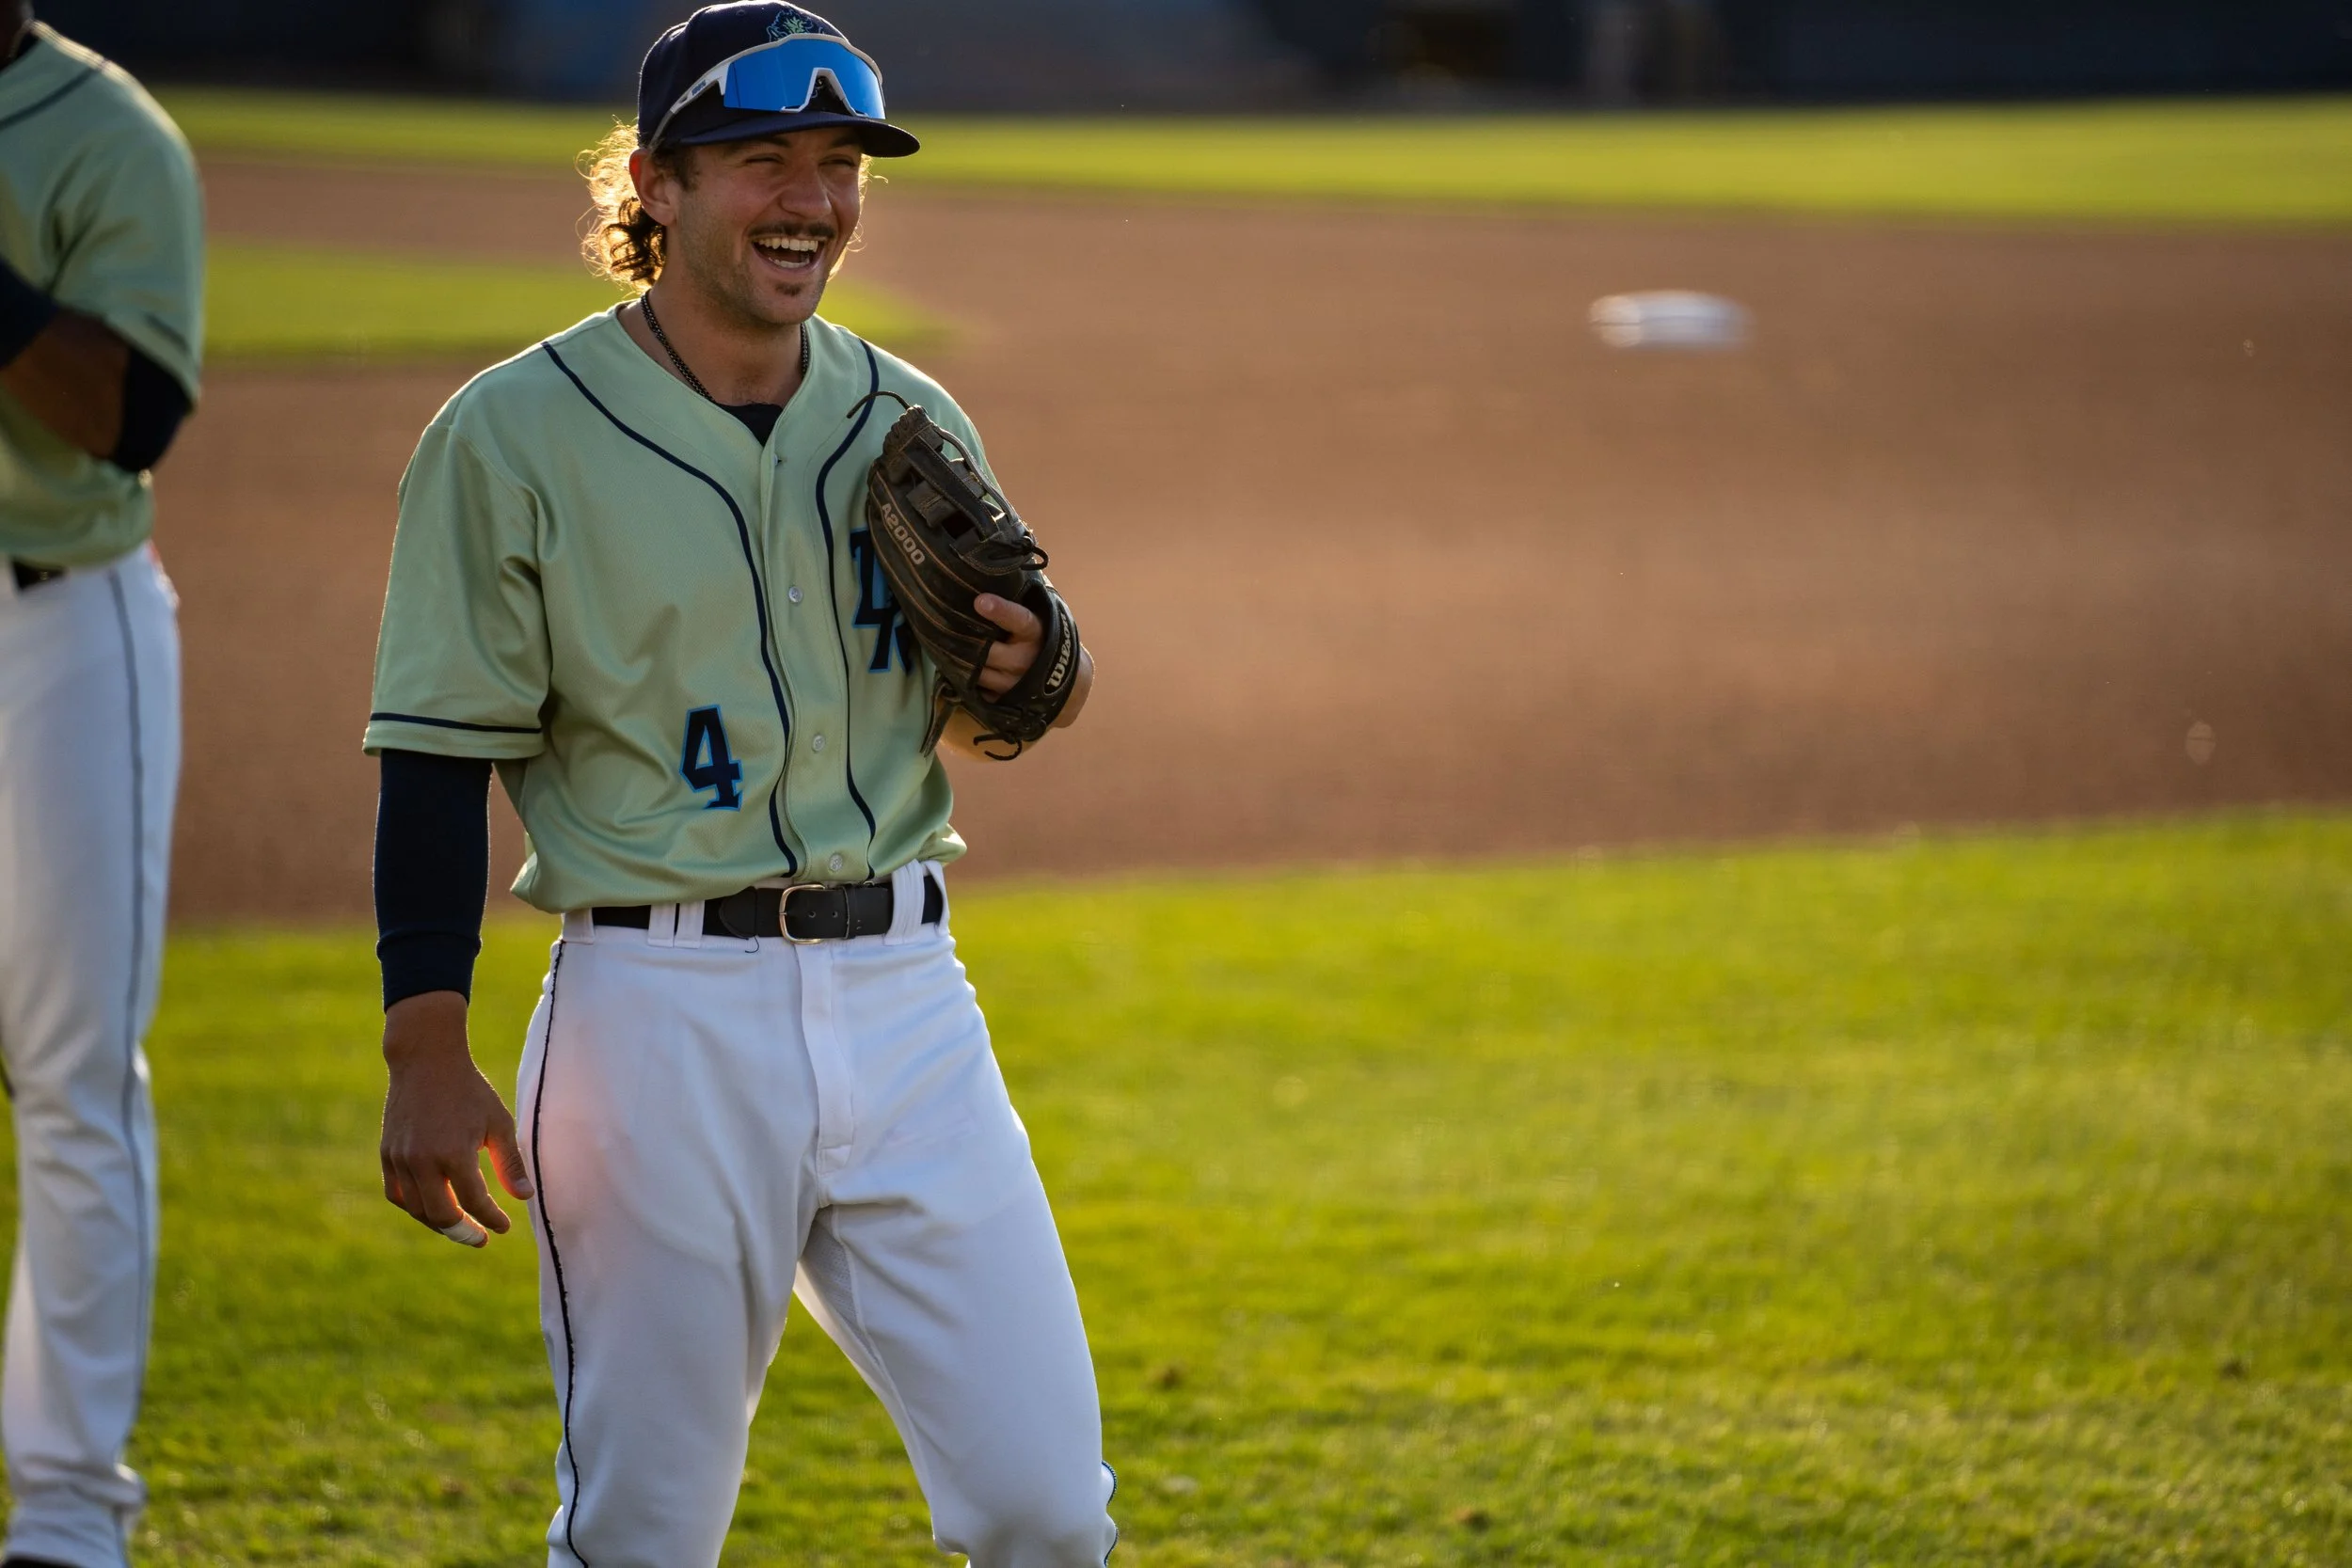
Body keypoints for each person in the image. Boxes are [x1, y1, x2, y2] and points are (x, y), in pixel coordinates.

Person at [364, 6, 1111, 1565]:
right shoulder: (511, 436)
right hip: (655, 1019)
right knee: (645, 1530)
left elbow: (997, 716)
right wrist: (424, 1043)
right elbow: (436, 755)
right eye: (765, 158)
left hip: (909, 1006)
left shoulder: (906, 414)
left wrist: (1037, 660)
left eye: (841, 166)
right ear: (654, 184)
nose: (811, 201)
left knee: (1046, 1509)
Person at [0, 7, 201, 1567]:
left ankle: (69, 1510)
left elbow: (131, 420)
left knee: (72, 1078)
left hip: (55, 626)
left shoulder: (109, 133)